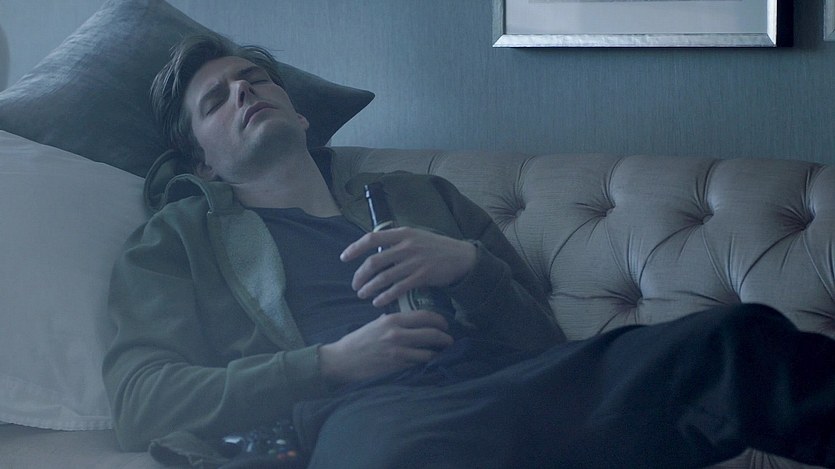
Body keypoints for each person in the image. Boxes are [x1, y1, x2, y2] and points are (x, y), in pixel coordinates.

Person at [103, 33, 835, 469]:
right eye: (216, 100)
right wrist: (330, 363)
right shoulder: (175, 240)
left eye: (254, 79)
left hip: (517, 386)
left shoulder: (424, 195)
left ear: (297, 112)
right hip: (367, 417)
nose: (243, 93)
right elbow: (142, 400)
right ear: (202, 163)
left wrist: (470, 268)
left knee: (736, 342)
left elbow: (542, 345)